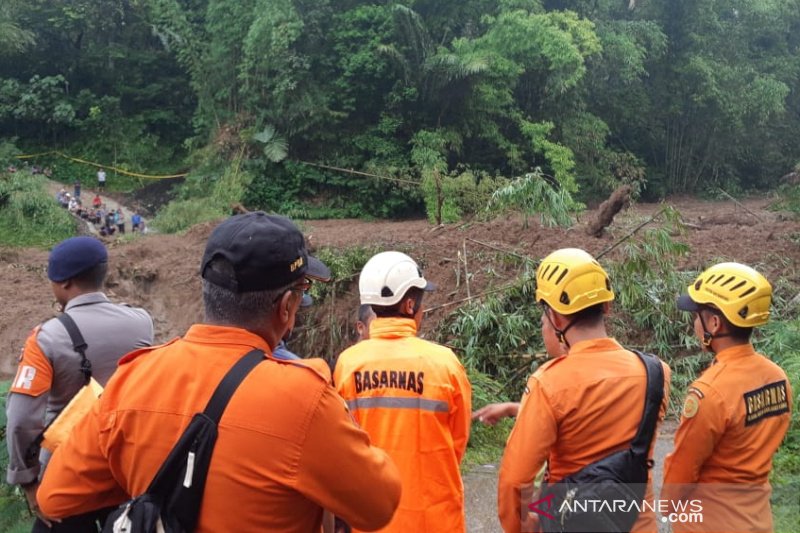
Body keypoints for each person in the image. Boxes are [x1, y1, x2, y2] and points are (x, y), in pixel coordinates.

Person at [37, 212, 402, 532]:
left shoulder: (132, 378)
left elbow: (55, 497)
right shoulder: (303, 397)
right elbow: (379, 505)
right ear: (288, 307)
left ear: (208, 292)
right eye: (301, 288)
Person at [498, 248, 671, 533]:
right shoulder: (656, 372)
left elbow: (515, 481)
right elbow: (600, 417)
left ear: (555, 317)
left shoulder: (549, 383)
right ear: (607, 307)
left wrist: (523, 526)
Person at [5, 236, 154, 532]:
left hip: (67, 476)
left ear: (64, 282)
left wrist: (28, 480)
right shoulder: (141, 322)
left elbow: (21, 420)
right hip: (125, 472)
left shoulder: (46, 338)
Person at [334, 251, 472, 533]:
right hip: (434, 519)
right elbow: (456, 443)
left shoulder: (348, 364)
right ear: (410, 305)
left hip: (371, 519)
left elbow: (341, 442)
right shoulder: (445, 363)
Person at [663, 262, 792, 532]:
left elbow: (683, 469)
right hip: (757, 521)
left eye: (697, 316)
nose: (694, 324)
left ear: (714, 322)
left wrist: (666, 509)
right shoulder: (777, 376)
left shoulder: (710, 391)